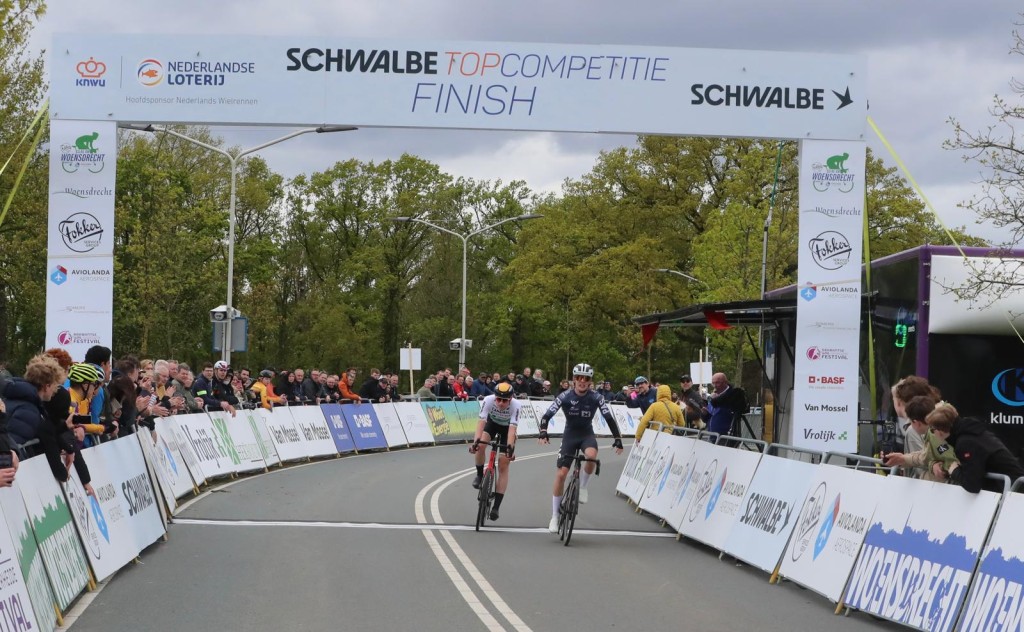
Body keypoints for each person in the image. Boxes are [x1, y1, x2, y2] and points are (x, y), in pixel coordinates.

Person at [538, 362, 623, 533]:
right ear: (574, 380)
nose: (582, 381)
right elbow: (546, 415)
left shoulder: (596, 397)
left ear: (590, 381)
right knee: (561, 474)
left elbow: (609, 419)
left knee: (592, 456)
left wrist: (618, 438)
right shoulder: (565, 396)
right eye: (579, 378)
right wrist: (543, 431)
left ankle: (583, 487)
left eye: (586, 379)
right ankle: (554, 516)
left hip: (586, 434)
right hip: (570, 435)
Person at [3, 354, 91, 494]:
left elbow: (45, 431)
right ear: (47, 386)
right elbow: (9, 443)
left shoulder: (24, 401)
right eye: (56, 385)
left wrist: (66, 445)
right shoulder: (29, 411)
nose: (56, 390)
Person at [926, 403, 1024, 493]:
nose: (932, 433)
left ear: (939, 431)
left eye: (932, 430)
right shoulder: (971, 432)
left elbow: (973, 485)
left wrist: (954, 471)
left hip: (1013, 491)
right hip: (1011, 487)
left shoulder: (965, 443)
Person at [469, 382, 522, 521]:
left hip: (507, 430)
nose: (501, 403)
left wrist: (510, 448)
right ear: (495, 397)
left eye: (505, 400)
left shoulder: (516, 405)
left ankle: (496, 507)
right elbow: (481, 423)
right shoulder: (488, 400)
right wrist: (476, 441)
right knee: (480, 446)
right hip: (492, 424)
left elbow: (512, 430)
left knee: (503, 464)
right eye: (498, 399)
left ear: (511, 399)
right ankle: (480, 475)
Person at [882, 396, 957, 481]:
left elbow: (951, 461)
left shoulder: (936, 433)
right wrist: (902, 459)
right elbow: (925, 456)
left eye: (910, 422)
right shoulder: (936, 430)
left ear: (916, 422)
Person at [704, 372, 746, 438]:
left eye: (717, 383)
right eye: (713, 383)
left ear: (725, 382)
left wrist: (716, 400)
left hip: (726, 437)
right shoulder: (713, 396)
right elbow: (708, 418)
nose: (715, 385)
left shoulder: (733, 395)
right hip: (713, 436)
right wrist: (704, 413)